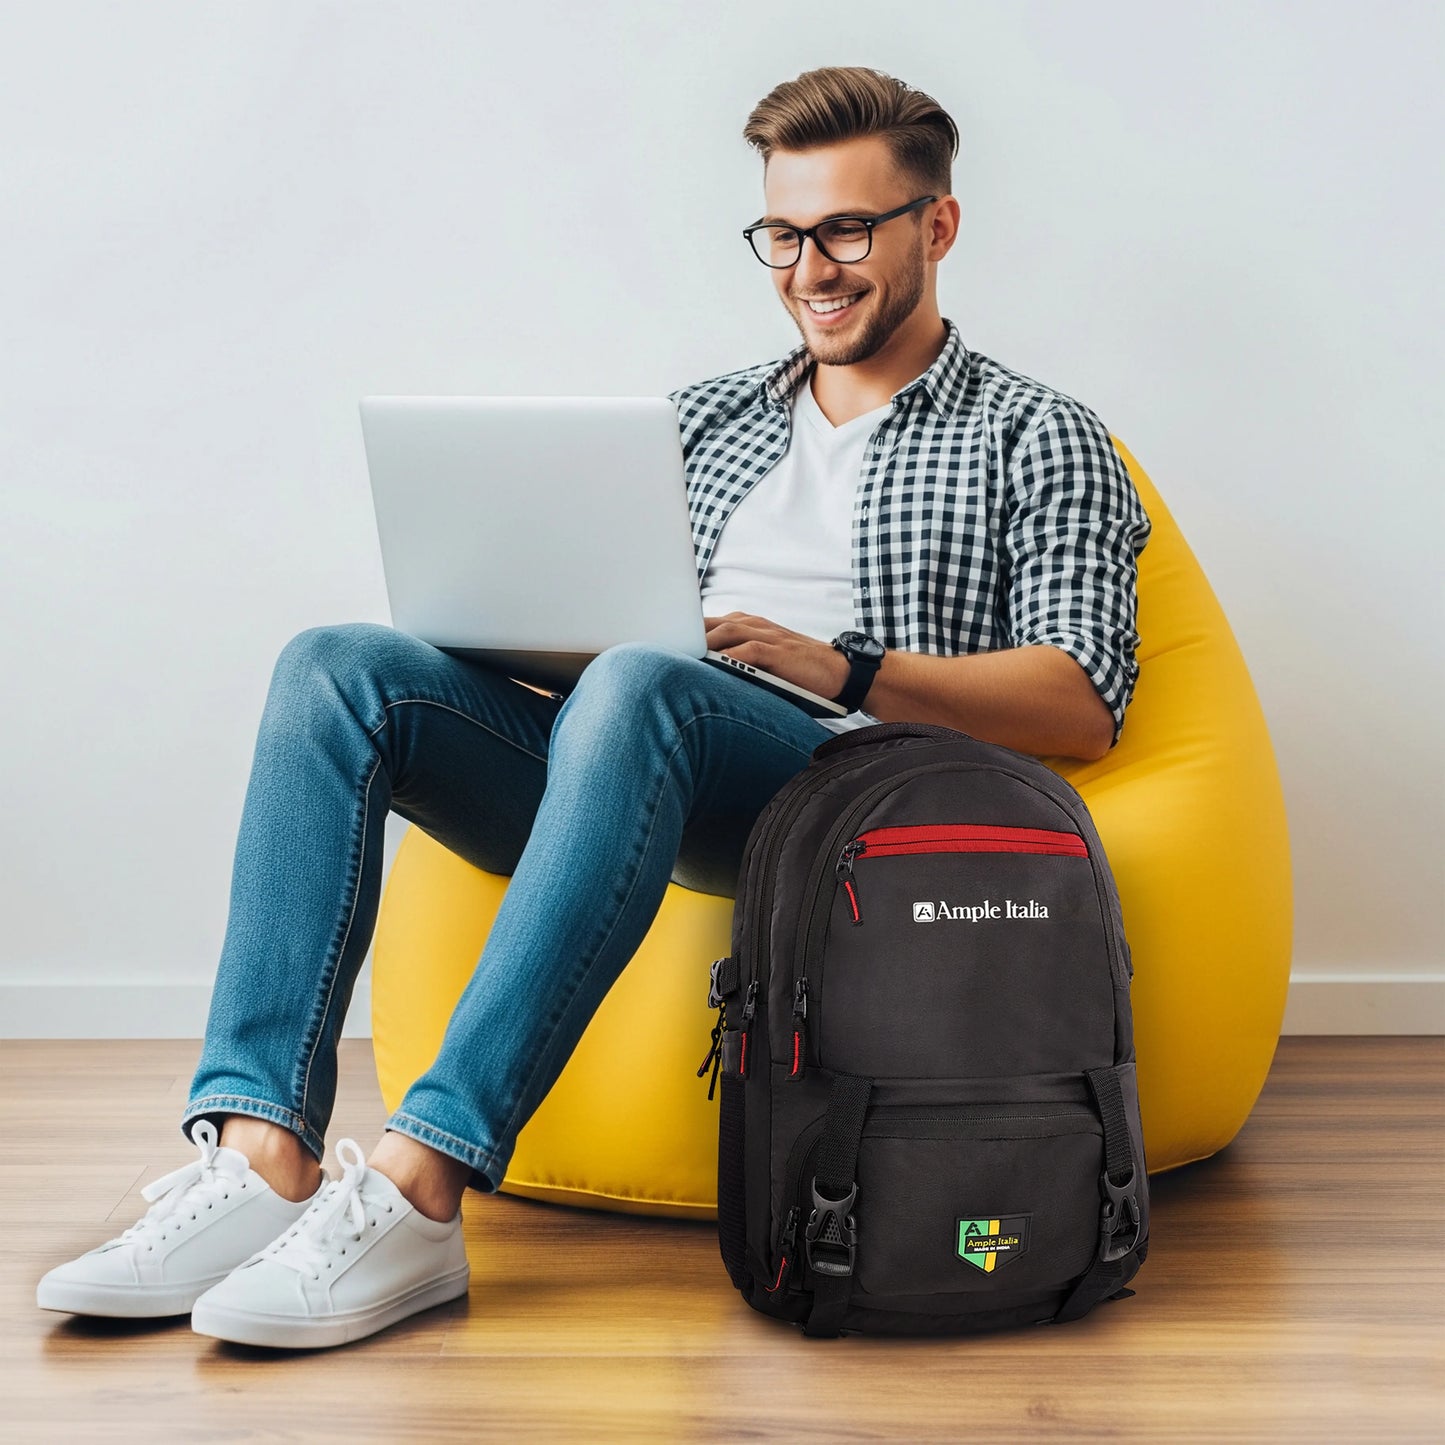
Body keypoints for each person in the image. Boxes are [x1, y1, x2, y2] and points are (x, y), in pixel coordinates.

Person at [36, 64, 1150, 1350]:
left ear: (935, 226)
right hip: (628, 758)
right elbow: (605, 633)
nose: (809, 268)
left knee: (641, 682)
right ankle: (260, 1153)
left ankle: (419, 1186)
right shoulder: (703, 418)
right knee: (335, 664)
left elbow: (1080, 698)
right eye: (781, 235)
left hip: (841, 796)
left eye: (845, 228)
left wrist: (829, 662)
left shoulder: (1033, 430)